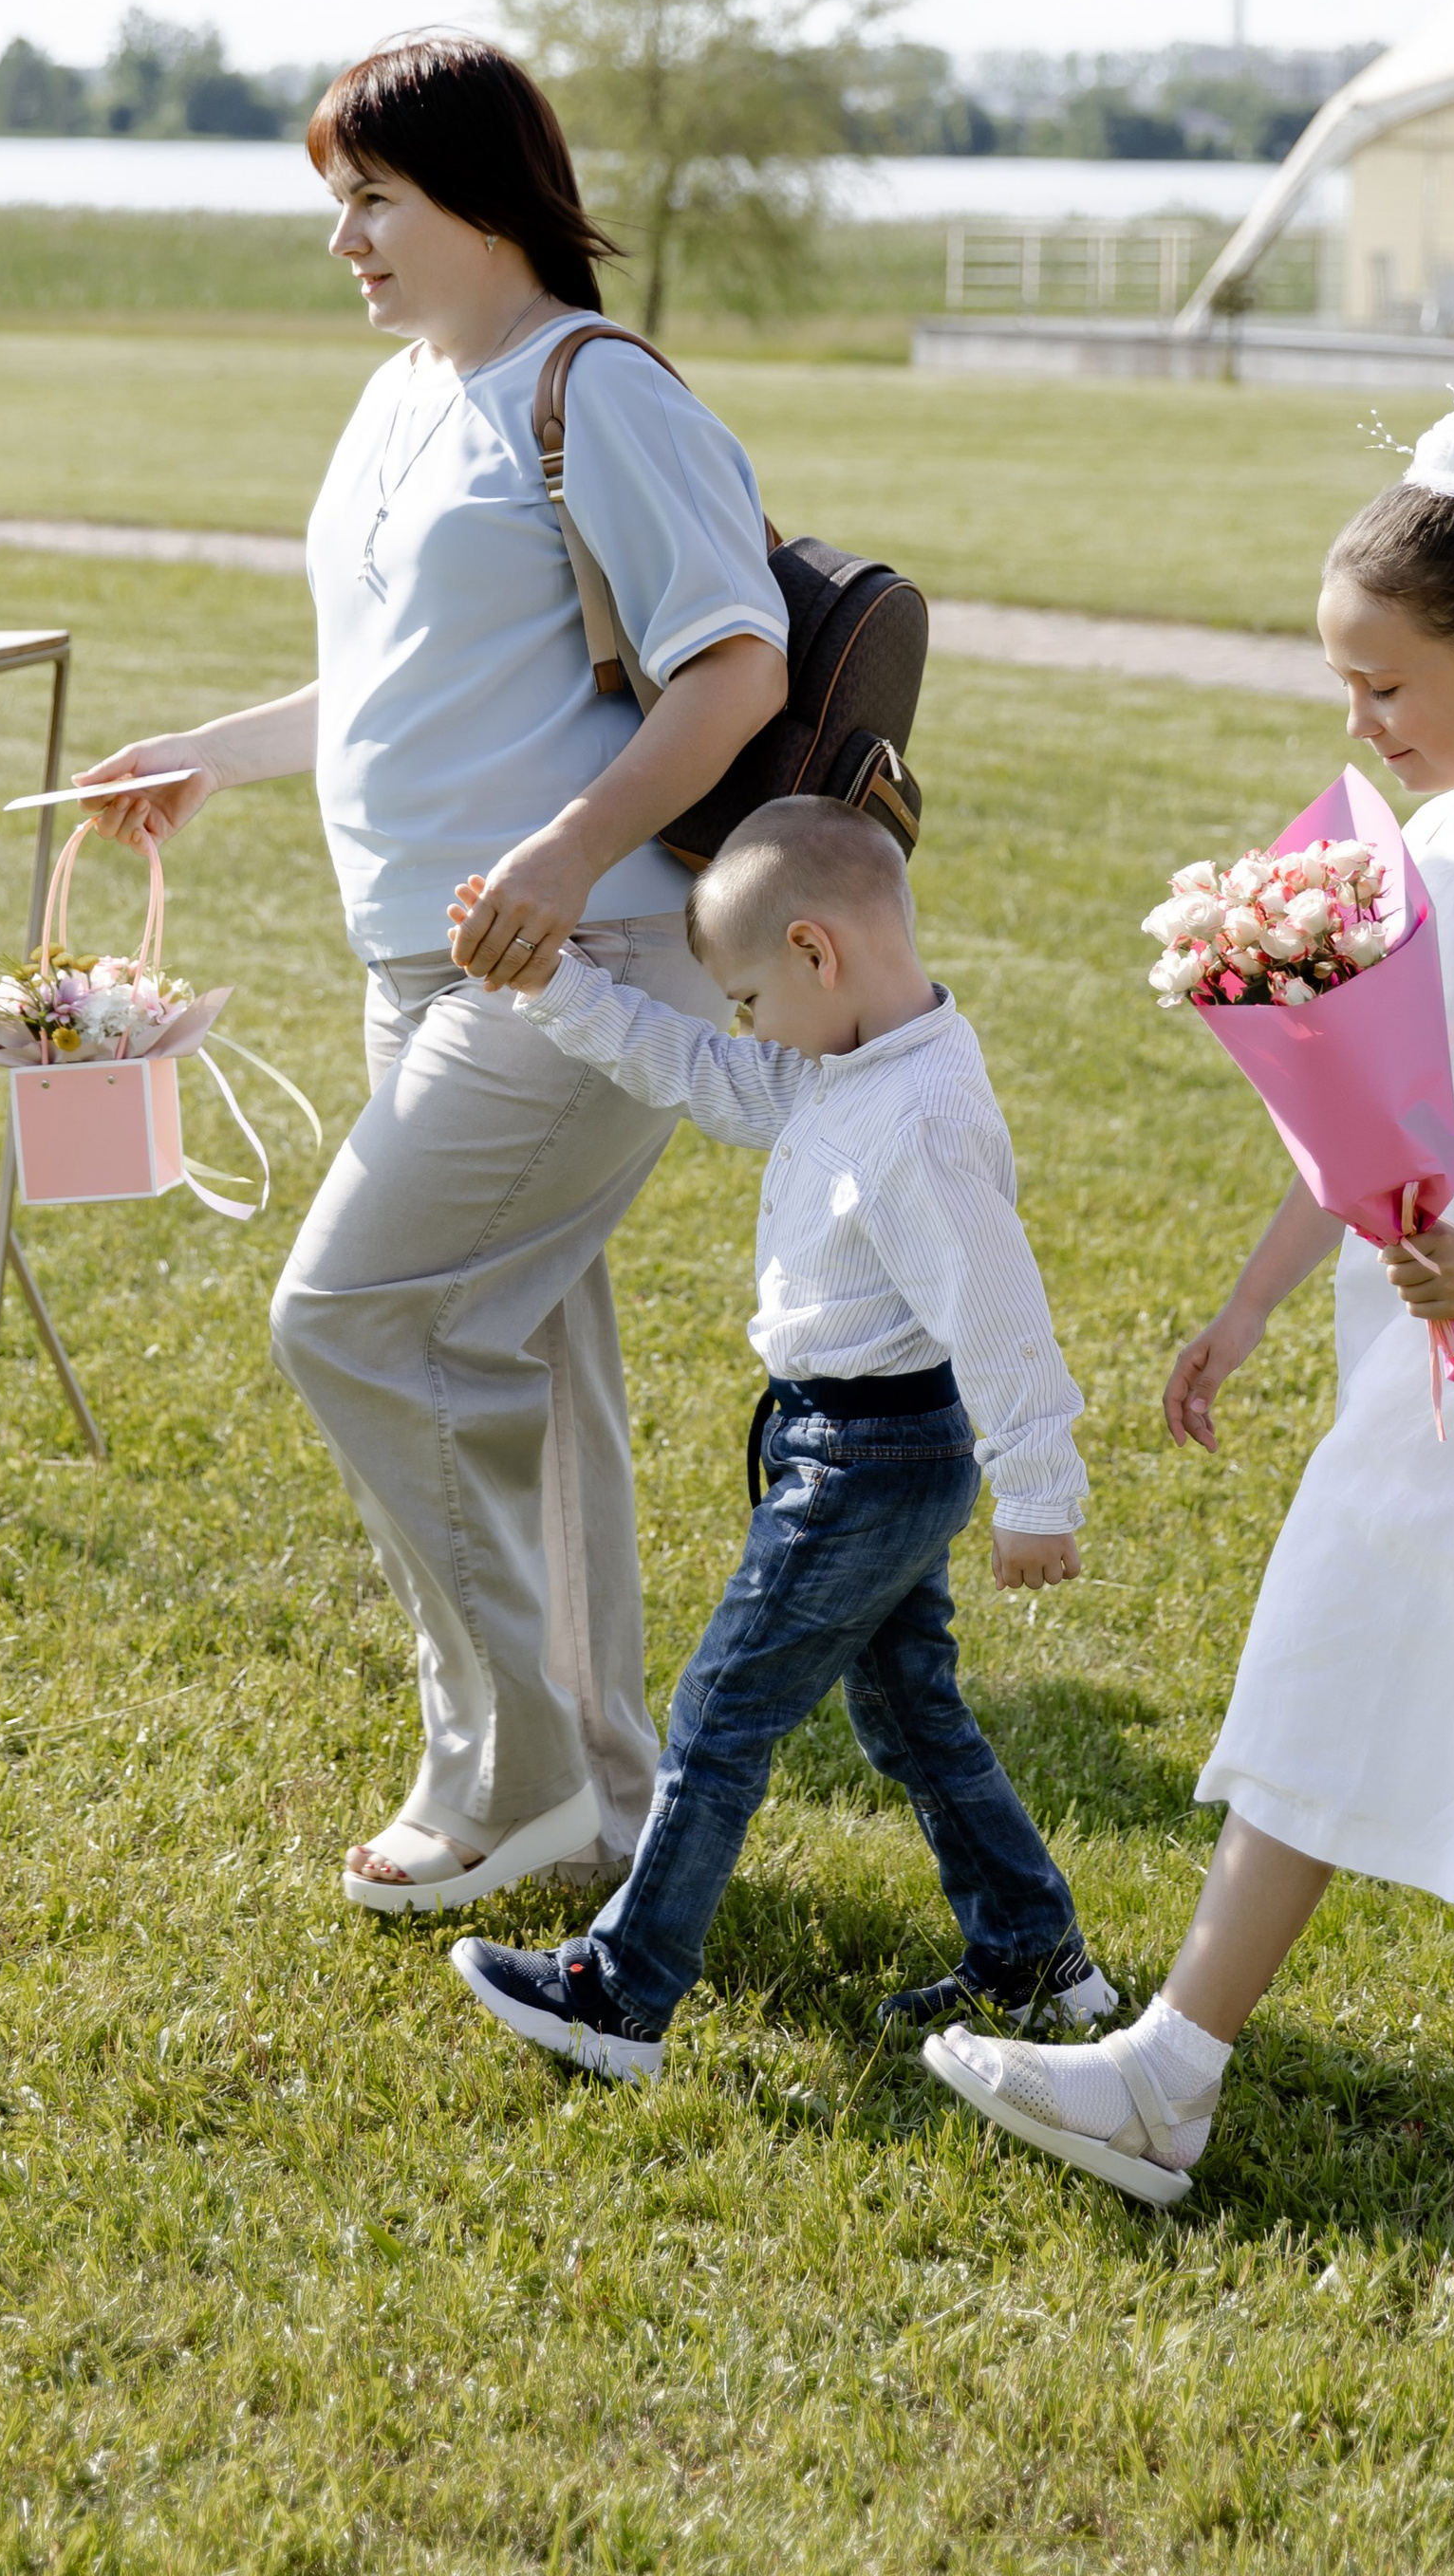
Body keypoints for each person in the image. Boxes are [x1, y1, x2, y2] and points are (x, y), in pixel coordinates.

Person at [926, 384, 1454, 2207]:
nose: (1359, 724)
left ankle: (1167, 2078)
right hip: (1433, 1323)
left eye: (1384, 687)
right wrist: (1246, 1309)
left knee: (1339, 1633)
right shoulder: (1436, 843)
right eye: (1346, 686)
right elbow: (1373, 1123)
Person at [77, 37, 791, 1914]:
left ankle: (513, 1777)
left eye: (374, 200)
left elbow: (736, 662)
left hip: (579, 956)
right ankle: (606, 1795)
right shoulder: (405, 395)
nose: (346, 242)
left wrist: (562, 854)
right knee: (521, 1365)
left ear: (482, 199)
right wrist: (213, 753)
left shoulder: (595, 390)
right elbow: (402, 669)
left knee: (354, 1319)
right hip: (421, 959)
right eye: (337, 203)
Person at [443, 795, 1115, 2084]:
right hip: (862, 1448)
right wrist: (556, 986)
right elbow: (704, 1073)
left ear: (816, 950)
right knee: (913, 1716)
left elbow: (1001, 1316)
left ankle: (620, 1995)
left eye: (749, 997)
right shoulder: (853, 1066)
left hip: (867, 1463)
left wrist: (1041, 1492)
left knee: (721, 1713)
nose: (745, 1026)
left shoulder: (917, 1121)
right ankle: (1037, 1961)